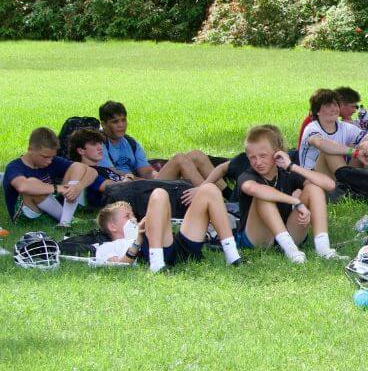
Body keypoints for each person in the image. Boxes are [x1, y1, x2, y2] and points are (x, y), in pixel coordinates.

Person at [236, 124, 339, 262]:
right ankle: (291, 251)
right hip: (256, 238)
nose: (258, 162)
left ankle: (323, 248)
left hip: (286, 231)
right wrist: (296, 202)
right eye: (252, 157)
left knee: (313, 189)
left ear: (276, 153)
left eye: (263, 156)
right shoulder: (248, 175)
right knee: (262, 196)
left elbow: (329, 184)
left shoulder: (286, 172)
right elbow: (252, 189)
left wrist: (292, 166)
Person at [93, 186, 242, 271]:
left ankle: (232, 256)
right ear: (112, 226)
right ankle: (157, 265)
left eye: (133, 215)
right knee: (159, 194)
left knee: (209, 189)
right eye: (127, 216)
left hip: (172, 244)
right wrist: (138, 240)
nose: (133, 218)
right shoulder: (108, 247)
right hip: (153, 250)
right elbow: (117, 266)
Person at [97, 100, 214, 185]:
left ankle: (229, 196)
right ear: (103, 124)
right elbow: (113, 175)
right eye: (115, 122)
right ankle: (212, 198)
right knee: (179, 159)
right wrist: (148, 181)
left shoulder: (130, 142)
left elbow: (146, 172)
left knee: (196, 155)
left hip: (144, 183)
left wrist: (159, 175)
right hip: (126, 187)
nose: (121, 125)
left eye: (123, 120)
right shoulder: (99, 145)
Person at [4, 126, 99, 225]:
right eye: (45, 157)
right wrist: (58, 188)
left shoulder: (52, 161)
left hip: (51, 210)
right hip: (27, 215)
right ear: (30, 149)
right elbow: (23, 187)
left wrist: (78, 187)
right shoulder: (14, 166)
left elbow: (92, 172)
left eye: (52, 157)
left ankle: (64, 222)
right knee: (34, 184)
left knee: (78, 167)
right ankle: (68, 220)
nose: (49, 161)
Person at [298, 88, 368, 178]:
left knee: (367, 145)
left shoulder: (344, 127)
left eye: (335, 105)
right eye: (328, 106)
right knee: (329, 151)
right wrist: (355, 152)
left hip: (339, 175)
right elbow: (320, 143)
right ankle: (349, 187)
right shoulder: (312, 128)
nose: (333, 109)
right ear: (317, 111)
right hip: (312, 180)